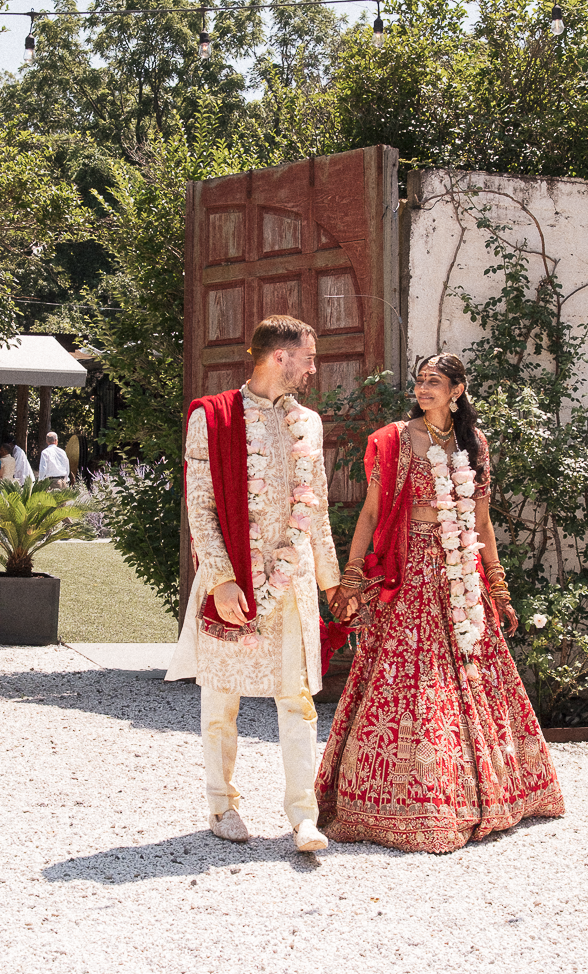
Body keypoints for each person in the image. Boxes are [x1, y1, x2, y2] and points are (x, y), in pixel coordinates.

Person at [316, 352, 564, 853]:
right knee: (406, 680)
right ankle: (393, 803)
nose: (423, 389)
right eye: (419, 382)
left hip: (460, 579)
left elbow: (484, 521)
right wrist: (351, 574)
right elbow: (370, 513)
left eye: (434, 382)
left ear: (458, 390)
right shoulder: (396, 440)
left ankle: (482, 796)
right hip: (410, 574)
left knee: (473, 674)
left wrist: (497, 586)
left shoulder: (475, 444)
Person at [165, 314, 344, 853]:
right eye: (308, 357)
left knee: (299, 700)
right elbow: (199, 505)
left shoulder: (308, 423)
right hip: (233, 578)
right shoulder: (212, 418)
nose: (314, 368)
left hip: (292, 582)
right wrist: (219, 579)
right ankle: (221, 805)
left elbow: (318, 511)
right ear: (279, 356)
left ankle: (302, 817)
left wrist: (332, 584)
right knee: (222, 699)